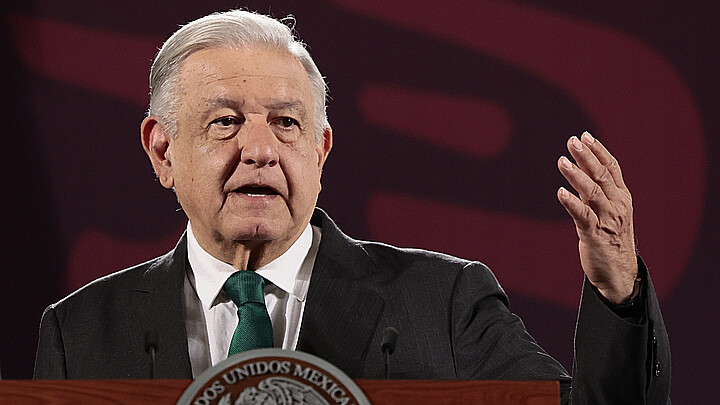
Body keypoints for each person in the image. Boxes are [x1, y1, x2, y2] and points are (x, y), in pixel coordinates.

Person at [33, 9, 670, 404]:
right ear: (163, 151)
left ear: (321, 151)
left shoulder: (443, 302)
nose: (260, 149)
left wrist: (618, 294)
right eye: (226, 122)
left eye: (286, 124)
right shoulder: (82, 332)